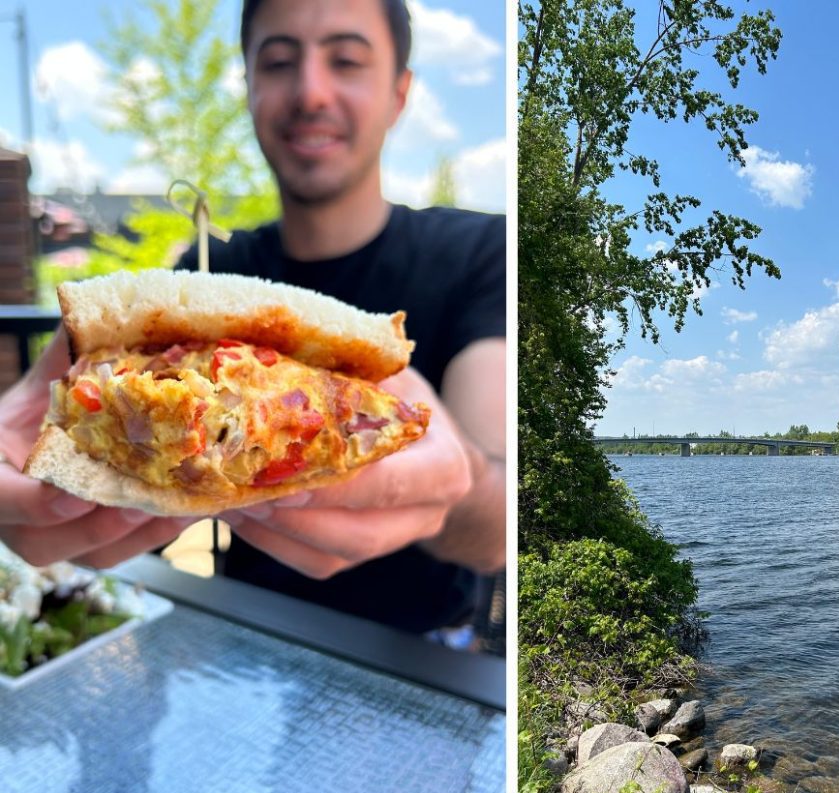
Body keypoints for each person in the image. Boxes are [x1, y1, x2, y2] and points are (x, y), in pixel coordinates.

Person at [0, 0, 505, 635]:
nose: (310, 91)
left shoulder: (484, 253)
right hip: (244, 627)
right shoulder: (201, 267)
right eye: (278, 61)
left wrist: (459, 483)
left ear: (400, 93)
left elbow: (501, 523)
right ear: (249, 87)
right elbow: (144, 529)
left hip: (430, 649)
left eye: (346, 59)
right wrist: (56, 509)